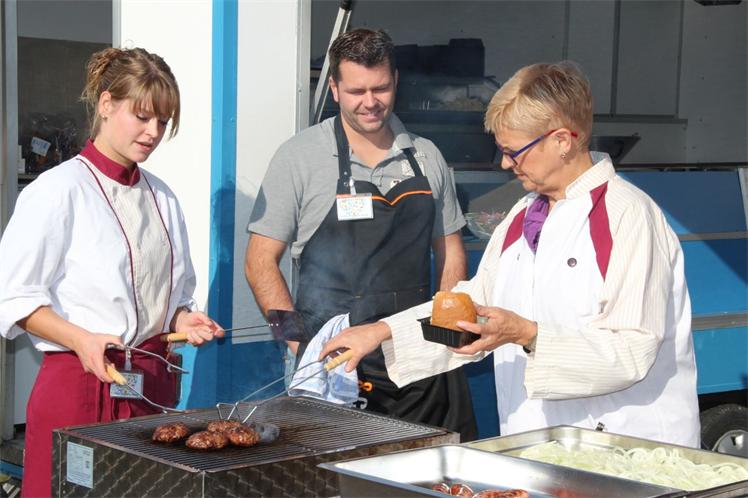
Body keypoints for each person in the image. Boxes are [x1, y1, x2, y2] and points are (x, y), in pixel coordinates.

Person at [321, 61, 701, 446]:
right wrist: (380, 332)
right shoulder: (523, 214)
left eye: (514, 151)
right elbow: (473, 305)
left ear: (562, 140)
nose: (505, 163)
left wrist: (526, 334)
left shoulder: (628, 215)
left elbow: (633, 351)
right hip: (536, 441)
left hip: (623, 446)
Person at [0, 47, 224, 497]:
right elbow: (14, 298)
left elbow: (170, 294)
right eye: (142, 116)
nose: (153, 132)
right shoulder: (58, 190)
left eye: (163, 121)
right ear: (106, 104)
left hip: (149, 390)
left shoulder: (163, 197)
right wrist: (81, 339)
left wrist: (182, 319)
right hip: (79, 388)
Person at [245, 28, 477, 440]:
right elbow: (259, 262)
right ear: (334, 89)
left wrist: (445, 327)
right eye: (356, 91)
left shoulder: (426, 155)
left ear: (396, 81)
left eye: (380, 88)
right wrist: (297, 344)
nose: (370, 102)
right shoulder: (299, 157)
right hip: (332, 365)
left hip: (416, 356)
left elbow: (450, 252)